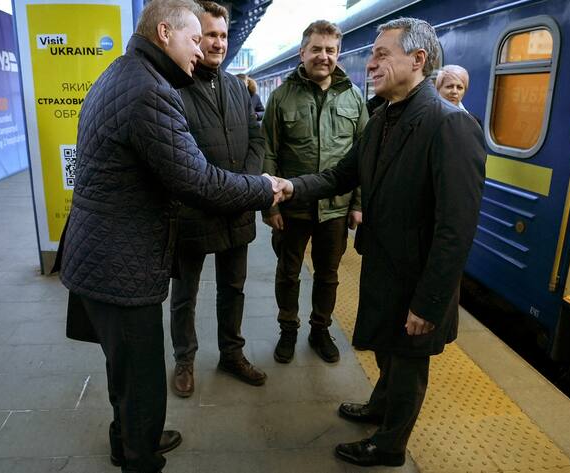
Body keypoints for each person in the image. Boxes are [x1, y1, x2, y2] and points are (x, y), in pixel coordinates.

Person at [56, 1, 283, 471]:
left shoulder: (122, 72)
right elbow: (196, 180)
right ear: (165, 33)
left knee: (123, 367)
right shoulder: (150, 91)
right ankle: (140, 455)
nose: (201, 50)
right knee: (141, 378)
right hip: (120, 260)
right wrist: (264, 188)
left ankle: (128, 439)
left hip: (100, 250)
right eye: (194, 39)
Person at [276, 18, 485, 467]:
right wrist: (291, 187)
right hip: (386, 267)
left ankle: (390, 445)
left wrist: (429, 303)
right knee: (390, 353)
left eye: (381, 54)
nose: (369, 64)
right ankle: (379, 406)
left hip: (416, 279)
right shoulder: (383, 118)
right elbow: (340, 175)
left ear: (418, 59)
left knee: (408, 364)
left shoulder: (449, 124)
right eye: (372, 55)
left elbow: (456, 228)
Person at [169, 1, 267, 398]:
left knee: (233, 287)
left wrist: (246, 183)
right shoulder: (175, 86)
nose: (219, 43)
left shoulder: (237, 87)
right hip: (192, 210)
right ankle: (185, 360)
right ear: (195, 37)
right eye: (210, 35)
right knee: (185, 294)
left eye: (223, 35)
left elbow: (257, 137)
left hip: (236, 208)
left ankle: (231, 353)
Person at [261, 19, 368, 364]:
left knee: (328, 275)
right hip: (292, 206)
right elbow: (268, 152)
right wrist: (270, 206)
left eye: (331, 50)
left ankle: (320, 330)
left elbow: (363, 155)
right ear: (302, 52)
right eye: (317, 49)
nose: (324, 56)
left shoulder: (354, 97)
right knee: (288, 272)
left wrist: (358, 203)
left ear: (338, 53)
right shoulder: (281, 97)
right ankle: (288, 329)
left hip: (336, 208)